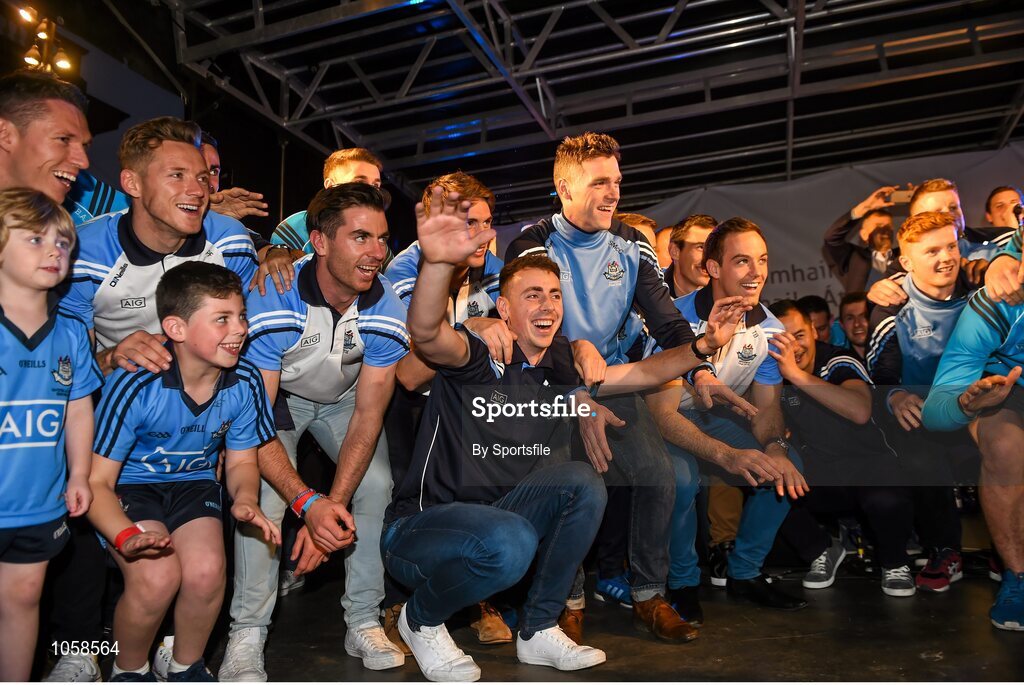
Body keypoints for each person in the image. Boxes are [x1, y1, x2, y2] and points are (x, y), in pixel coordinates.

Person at [386, 187, 750, 681]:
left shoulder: (560, 362)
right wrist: (434, 262)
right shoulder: (479, 354)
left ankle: (537, 629)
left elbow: (641, 375)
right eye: (531, 295)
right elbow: (427, 335)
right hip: (421, 532)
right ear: (504, 310)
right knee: (511, 539)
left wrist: (705, 345)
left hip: (494, 525)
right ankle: (420, 620)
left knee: (580, 481)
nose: (547, 304)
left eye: (555, 295)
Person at [506, 131, 751, 642]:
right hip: (551, 389)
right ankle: (565, 602)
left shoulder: (632, 242)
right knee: (568, 485)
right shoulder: (531, 242)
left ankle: (648, 596)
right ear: (564, 186)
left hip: (615, 384)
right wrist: (571, 345)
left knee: (658, 476)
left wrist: (699, 368)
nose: (614, 192)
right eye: (599, 182)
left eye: (617, 181)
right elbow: (523, 324)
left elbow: (665, 320)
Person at [225, 183, 409, 679]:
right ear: (320, 243)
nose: (376, 252)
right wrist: (308, 504)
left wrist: (332, 512)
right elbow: (254, 421)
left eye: (382, 238)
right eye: (360, 237)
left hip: (345, 400)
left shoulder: (386, 305)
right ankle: (247, 631)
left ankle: (363, 619)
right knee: (264, 494)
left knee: (375, 485)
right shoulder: (272, 296)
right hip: (278, 400)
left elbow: (369, 416)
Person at [87, 262, 279, 681]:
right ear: (176, 328)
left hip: (194, 483)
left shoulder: (245, 381)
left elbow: (243, 460)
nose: (240, 329)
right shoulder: (137, 383)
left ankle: (184, 667)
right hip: (129, 487)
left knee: (208, 572)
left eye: (242, 316)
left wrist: (245, 499)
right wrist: (125, 535)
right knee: (156, 578)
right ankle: (128, 669)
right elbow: (96, 482)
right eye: (222, 319)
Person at [646, 217, 809, 617]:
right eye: (742, 261)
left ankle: (744, 574)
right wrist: (725, 455)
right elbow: (662, 414)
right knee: (683, 481)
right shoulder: (673, 321)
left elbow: (767, 410)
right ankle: (683, 583)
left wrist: (776, 446)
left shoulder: (769, 328)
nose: (757, 273)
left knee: (786, 467)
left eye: (763, 260)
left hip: (712, 419)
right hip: (659, 422)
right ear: (713, 269)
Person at [382, 171, 506, 648]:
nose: (481, 234)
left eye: (488, 222)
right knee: (408, 499)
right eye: (470, 222)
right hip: (406, 404)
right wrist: (471, 328)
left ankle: (473, 595)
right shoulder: (401, 272)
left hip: (464, 401)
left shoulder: (493, 269)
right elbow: (407, 373)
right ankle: (398, 599)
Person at [60, 116, 259, 375]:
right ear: (132, 183)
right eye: (177, 175)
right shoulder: (82, 253)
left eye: (201, 178)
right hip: (120, 400)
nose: (199, 191)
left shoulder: (231, 241)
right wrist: (111, 358)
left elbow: (248, 347)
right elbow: (68, 372)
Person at [0, 189, 101, 681]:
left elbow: (78, 409)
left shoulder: (70, 333)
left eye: (63, 242)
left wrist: (80, 473)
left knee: (23, 598)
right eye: (36, 239)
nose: (54, 250)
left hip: (38, 502)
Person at [768, 300, 916, 597]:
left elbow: (860, 410)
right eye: (782, 341)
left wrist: (796, 375)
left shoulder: (838, 360)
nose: (793, 347)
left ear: (814, 331)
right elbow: (768, 425)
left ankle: (895, 562)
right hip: (821, 475)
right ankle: (821, 549)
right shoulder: (772, 376)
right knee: (761, 473)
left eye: (799, 335)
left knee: (884, 496)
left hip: (870, 468)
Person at [865, 210, 972, 593]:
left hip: (980, 403)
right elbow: (880, 369)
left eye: (950, 246)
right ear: (906, 261)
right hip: (924, 409)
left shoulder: (981, 281)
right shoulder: (891, 302)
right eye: (931, 251)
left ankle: (1005, 553)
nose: (946, 257)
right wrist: (895, 395)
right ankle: (944, 549)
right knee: (922, 456)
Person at [921, 288, 1024, 630]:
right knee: (1004, 445)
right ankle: (1018, 576)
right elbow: (935, 413)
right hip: (1010, 388)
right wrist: (965, 405)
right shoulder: (998, 300)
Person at [868, 179, 1001, 307]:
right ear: (916, 221)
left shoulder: (995, 243)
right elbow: (882, 296)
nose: (949, 215)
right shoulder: (903, 268)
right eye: (937, 212)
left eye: (953, 207)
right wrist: (876, 294)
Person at [821, 186, 900, 292]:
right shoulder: (854, 256)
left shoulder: (903, 255)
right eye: (879, 226)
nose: (885, 230)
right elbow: (831, 237)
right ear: (864, 234)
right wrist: (864, 207)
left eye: (889, 226)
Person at [664, 214, 715, 298]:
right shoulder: (650, 292)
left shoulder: (729, 295)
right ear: (675, 251)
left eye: (714, 248)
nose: (710, 257)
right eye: (701, 247)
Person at [837, 291, 870, 360]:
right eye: (850, 318)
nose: (857, 324)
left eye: (863, 316)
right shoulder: (838, 363)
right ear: (841, 324)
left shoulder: (893, 353)